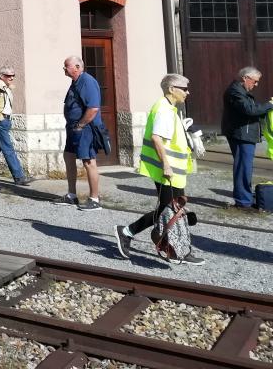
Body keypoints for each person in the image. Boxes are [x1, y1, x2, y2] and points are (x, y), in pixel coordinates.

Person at [115, 73, 205, 265]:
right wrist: (165, 164)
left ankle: (173, 247)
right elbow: (157, 138)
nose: (188, 92)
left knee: (171, 209)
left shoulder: (169, 109)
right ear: (172, 89)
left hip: (173, 171)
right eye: (184, 89)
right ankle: (130, 232)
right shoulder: (164, 110)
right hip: (167, 171)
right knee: (171, 210)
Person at [221, 67, 273, 209]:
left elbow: (253, 109)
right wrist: (269, 105)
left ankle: (245, 198)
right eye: (255, 81)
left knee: (245, 167)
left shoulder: (241, 91)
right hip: (241, 135)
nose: (256, 85)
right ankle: (243, 202)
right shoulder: (235, 92)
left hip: (245, 134)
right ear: (245, 78)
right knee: (243, 168)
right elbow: (250, 110)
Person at [60, 56, 103, 211]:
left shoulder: (87, 81)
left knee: (88, 161)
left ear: (77, 67)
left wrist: (81, 125)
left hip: (85, 129)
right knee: (69, 156)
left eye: (67, 66)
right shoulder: (75, 82)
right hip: (74, 127)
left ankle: (94, 199)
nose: (64, 69)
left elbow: (93, 108)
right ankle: (72, 195)